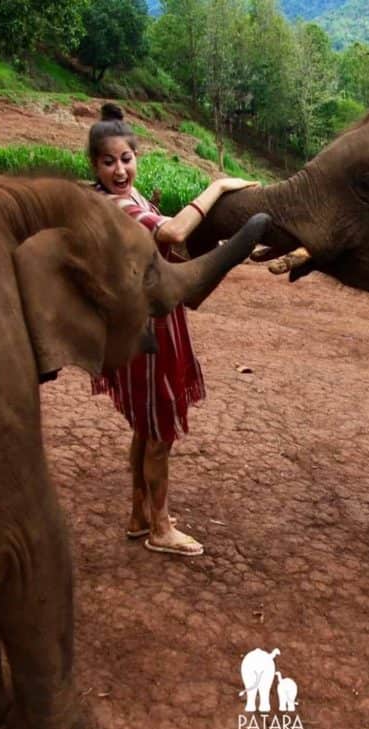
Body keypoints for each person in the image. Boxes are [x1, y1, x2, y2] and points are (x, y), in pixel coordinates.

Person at [88, 103, 257, 556]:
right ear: (93, 165)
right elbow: (176, 232)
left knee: (144, 429)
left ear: (136, 158)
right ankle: (161, 529)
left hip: (148, 323)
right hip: (149, 331)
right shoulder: (120, 205)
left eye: (126, 158)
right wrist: (218, 186)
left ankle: (140, 513)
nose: (119, 169)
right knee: (159, 432)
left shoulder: (132, 196)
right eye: (108, 161)